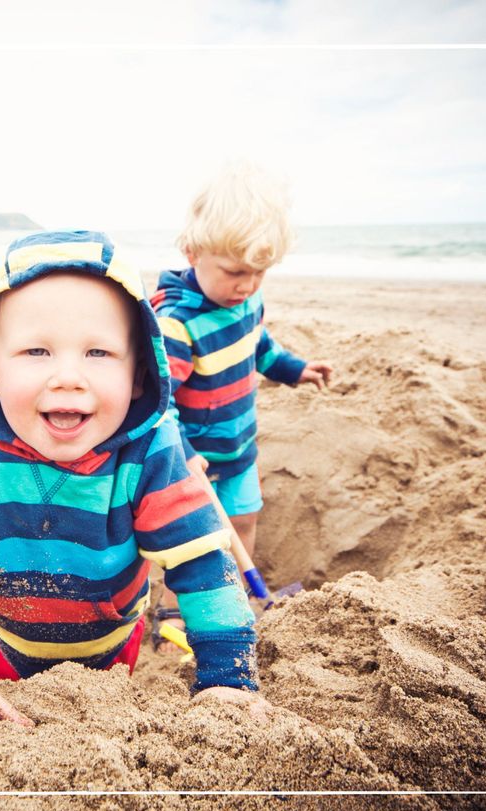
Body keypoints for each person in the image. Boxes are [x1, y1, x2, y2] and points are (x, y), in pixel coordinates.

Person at [0, 230, 269, 740]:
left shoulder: (150, 450)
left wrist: (227, 675)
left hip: (107, 654)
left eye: (98, 353)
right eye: (37, 351)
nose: (68, 378)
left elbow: (202, 561)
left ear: (140, 375)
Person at [150, 162, 333, 649]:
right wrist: (183, 453)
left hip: (240, 448)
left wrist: (294, 370)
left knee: (243, 522)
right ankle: (174, 617)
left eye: (259, 273)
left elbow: (260, 345)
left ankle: (236, 600)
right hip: (191, 462)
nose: (247, 285)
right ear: (192, 253)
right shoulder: (176, 323)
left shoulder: (247, 301)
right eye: (234, 272)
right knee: (191, 542)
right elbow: (158, 402)